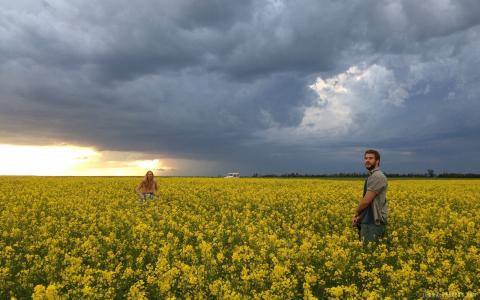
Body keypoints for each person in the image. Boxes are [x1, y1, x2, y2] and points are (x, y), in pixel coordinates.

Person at [352, 149, 388, 246]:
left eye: (371, 158)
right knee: (367, 253)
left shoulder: (377, 176)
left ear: (377, 161)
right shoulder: (372, 176)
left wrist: (356, 213)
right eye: (366, 158)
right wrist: (360, 217)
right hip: (368, 220)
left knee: (369, 252)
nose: (367, 160)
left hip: (373, 222)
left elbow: (366, 201)